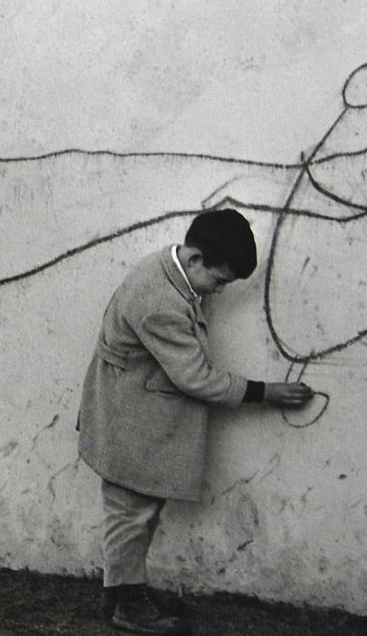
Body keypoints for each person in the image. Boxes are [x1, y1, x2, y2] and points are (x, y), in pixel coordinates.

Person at [77, 208, 312, 634]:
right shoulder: (159, 301)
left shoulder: (168, 271)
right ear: (196, 259)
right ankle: (126, 605)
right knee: (130, 513)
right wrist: (265, 392)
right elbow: (195, 378)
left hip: (132, 413)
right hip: (129, 421)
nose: (219, 292)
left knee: (138, 511)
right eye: (219, 281)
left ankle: (124, 593)